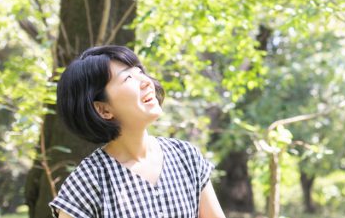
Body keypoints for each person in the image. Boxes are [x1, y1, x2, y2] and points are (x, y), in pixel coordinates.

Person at [49, 45, 226, 218]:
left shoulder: (185, 156)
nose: (146, 82)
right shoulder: (89, 181)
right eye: (128, 78)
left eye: (140, 72)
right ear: (103, 110)